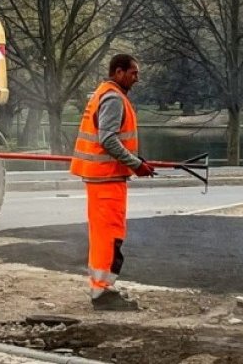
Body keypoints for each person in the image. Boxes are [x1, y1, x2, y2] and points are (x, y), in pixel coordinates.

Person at [70, 54, 156, 311]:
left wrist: (134, 161)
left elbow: (108, 138)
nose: (136, 78)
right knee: (109, 237)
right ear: (118, 72)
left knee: (104, 236)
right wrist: (135, 164)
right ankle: (102, 293)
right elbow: (108, 139)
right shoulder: (113, 98)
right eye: (133, 73)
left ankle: (102, 288)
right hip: (106, 178)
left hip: (103, 177)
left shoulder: (104, 93)